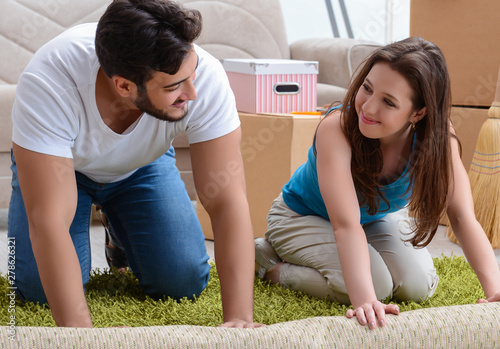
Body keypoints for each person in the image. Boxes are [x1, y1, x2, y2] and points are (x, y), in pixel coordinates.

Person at [9, 0, 262, 328]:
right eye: (173, 87)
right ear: (124, 86)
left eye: (192, 75)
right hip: (61, 167)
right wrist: (82, 338)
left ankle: (119, 234)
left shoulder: (203, 77)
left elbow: (227, 201)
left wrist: (240, 319)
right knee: (37, 289)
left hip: (141, 166)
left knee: (182, 282)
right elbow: (49, 222)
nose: (194, 93)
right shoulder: (50, 81)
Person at [255, 36, 500, 330]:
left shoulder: (436, 140)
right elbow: (345, 226)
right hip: (300, 216)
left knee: (417, 285)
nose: (368, 108)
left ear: (418, 113)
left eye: (388, 102)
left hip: (369, 220)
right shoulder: (337, 130)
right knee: (377, 287)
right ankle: (268, 264)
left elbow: (462, 216)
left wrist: (495, 290)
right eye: (367, 89)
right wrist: (365, 301)